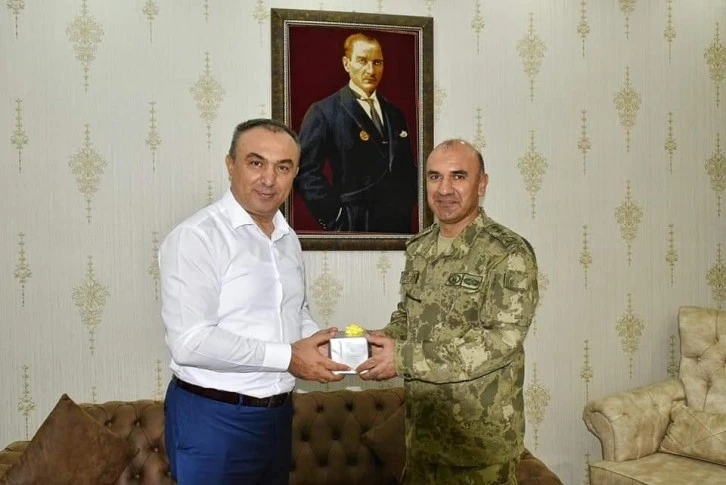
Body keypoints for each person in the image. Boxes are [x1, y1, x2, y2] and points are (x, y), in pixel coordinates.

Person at [159, 118, 349, 485]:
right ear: (230, 165)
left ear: (295, 175)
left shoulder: (287, 238)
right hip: (213, 418)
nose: (268, 179)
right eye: (256, 163)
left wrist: (322, 345)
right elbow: (190, 343)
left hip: (277, 417)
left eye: (283, 167)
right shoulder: (196, 238)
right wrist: (289, 357)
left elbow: (294, 312)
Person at [357, 139, 540, 485]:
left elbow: (500, 342)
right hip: (422, 439)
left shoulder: (507, 253)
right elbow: (409, 315)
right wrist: (383, 340)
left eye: (458, 176)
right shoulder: (420, 247)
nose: (444, 189)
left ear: (481, 184)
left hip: (478, 447)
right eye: (434, 177)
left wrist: (402, 358)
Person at [296, 32, 418, 233]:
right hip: (355, 224)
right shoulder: (324, 112)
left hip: (398, 226)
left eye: (377, 63)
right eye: (362, 61)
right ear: (346, 64)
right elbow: (305, 173)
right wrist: (335, 217)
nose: (371, 70)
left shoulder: (395, 113)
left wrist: (408, 203)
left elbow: (406, 168)